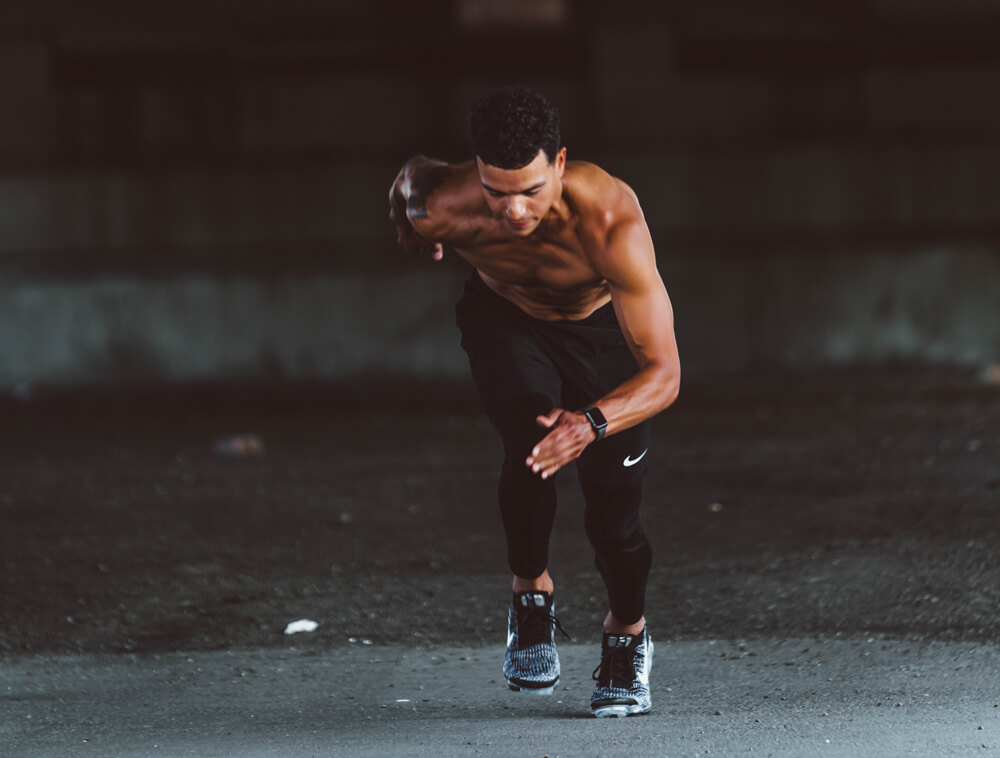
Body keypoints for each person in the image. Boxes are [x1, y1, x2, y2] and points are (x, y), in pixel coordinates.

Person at [388, 87, 680, 718]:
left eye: (532, 191)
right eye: (497, 192)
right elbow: (410, 184)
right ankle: (531, 593)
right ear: (478, 174)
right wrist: (413, 236)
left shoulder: (611, 222)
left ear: (561, 163)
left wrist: (594, 421)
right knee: (530, 438)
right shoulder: (445, 204)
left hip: (602, 336)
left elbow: (664, 375)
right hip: (508, 319)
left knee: (614, 519)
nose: (515, 211)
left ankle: (627, 634)